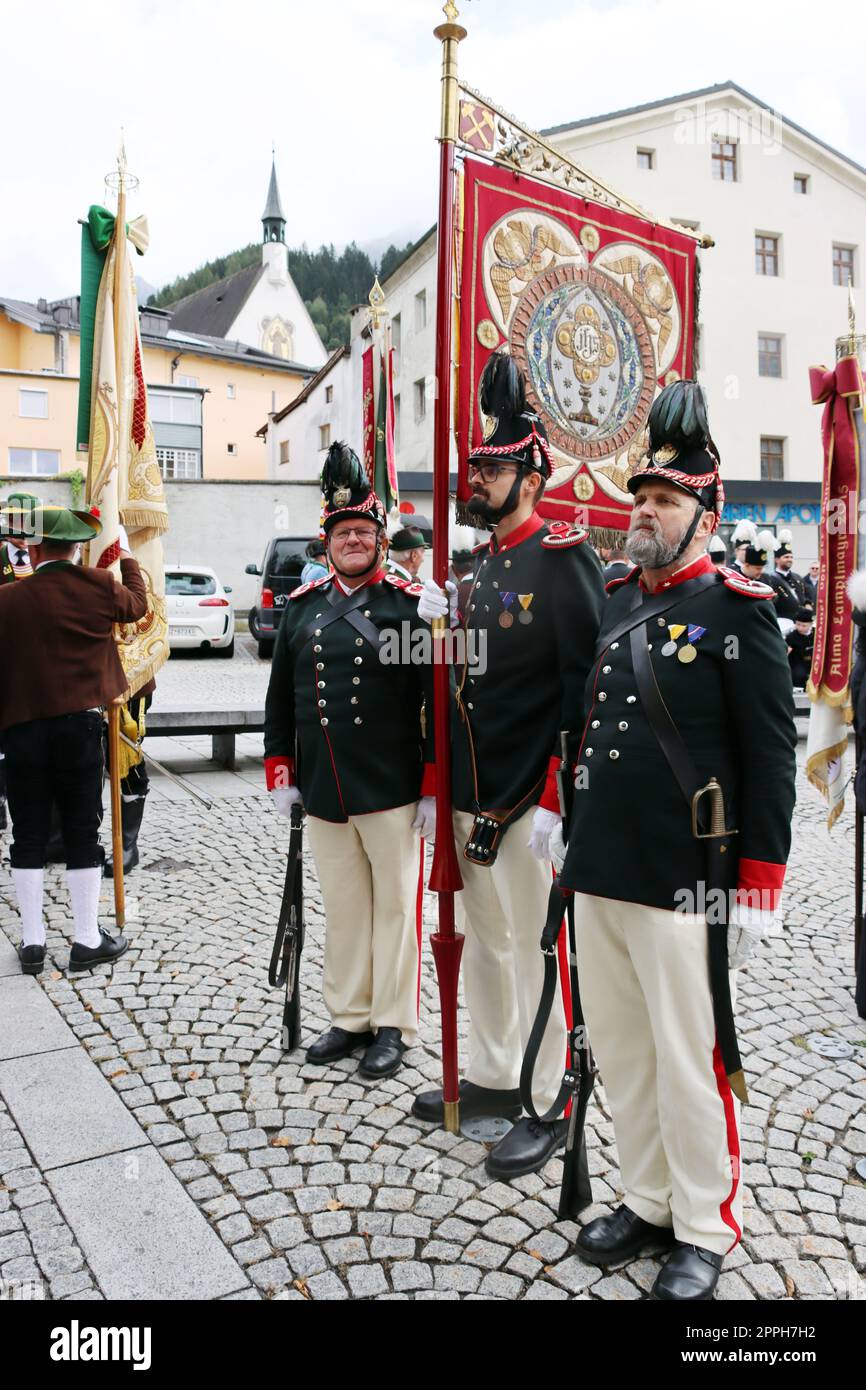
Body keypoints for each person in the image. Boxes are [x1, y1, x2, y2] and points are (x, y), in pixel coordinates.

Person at [555, 380, 797, 1300]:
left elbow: (770, 756)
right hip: (605, 865)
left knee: (690, 1056)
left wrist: (761, 882)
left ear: (705, 513)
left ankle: (704, 1224)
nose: (647, 513)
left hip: (685, 874)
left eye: (666, 501)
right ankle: (647, 1198)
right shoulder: (619, 594)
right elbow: (589, 727)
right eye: (642, 499)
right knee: (622, 1046)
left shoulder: (739, 611)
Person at [412, 352, 605, 1178]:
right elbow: (457, 686)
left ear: (529, 475)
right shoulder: (474, 567)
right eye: (476, 468)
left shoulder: (564, 562)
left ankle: (546, 1095)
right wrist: (434, 632)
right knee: (485, 945)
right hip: (471, 791)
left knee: (537, 951)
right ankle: (493, 1072)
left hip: (530, 796)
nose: (476, 481)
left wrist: (562, 795)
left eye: (490, 469)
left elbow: (587, 689)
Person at [264, 442, 435, 1081]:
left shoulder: (407, 606)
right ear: (327, 542)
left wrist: (433, 785)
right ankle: (350, 1015)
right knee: (343, 904)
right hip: (326, 790)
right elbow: (279, 696)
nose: (354, 541)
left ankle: (393, 1023)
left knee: (395, 906)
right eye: (344, 533)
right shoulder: (303, 611)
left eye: (364, 531)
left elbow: (435, 702)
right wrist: (282, 771)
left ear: (381, 541)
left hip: (390, 788)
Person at [0, 499, 148, 975]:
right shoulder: (99, 585)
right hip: (81, 727)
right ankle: (86, 939)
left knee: (28, 833)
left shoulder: (7, 597)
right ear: (76, 548)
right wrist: (125, 554)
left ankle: (32, 943)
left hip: (20, 730)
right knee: (83, 831)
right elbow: (138, 605)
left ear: (35, 548)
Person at [773, 529, 806, 606]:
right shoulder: (771, 579)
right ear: (777, 560)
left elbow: (805, 597)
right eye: (786, 557)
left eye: (791, 557)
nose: (789, 559)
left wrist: (808, 604)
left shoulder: (798, 578)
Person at [787, 607, 814, 689]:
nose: (800, 628)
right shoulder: (791, 637)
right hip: (798, 663)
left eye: (804, 625)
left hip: (814, 663)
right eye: (798, 624)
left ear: (811, 624)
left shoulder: (816, 633)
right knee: (799, 675)